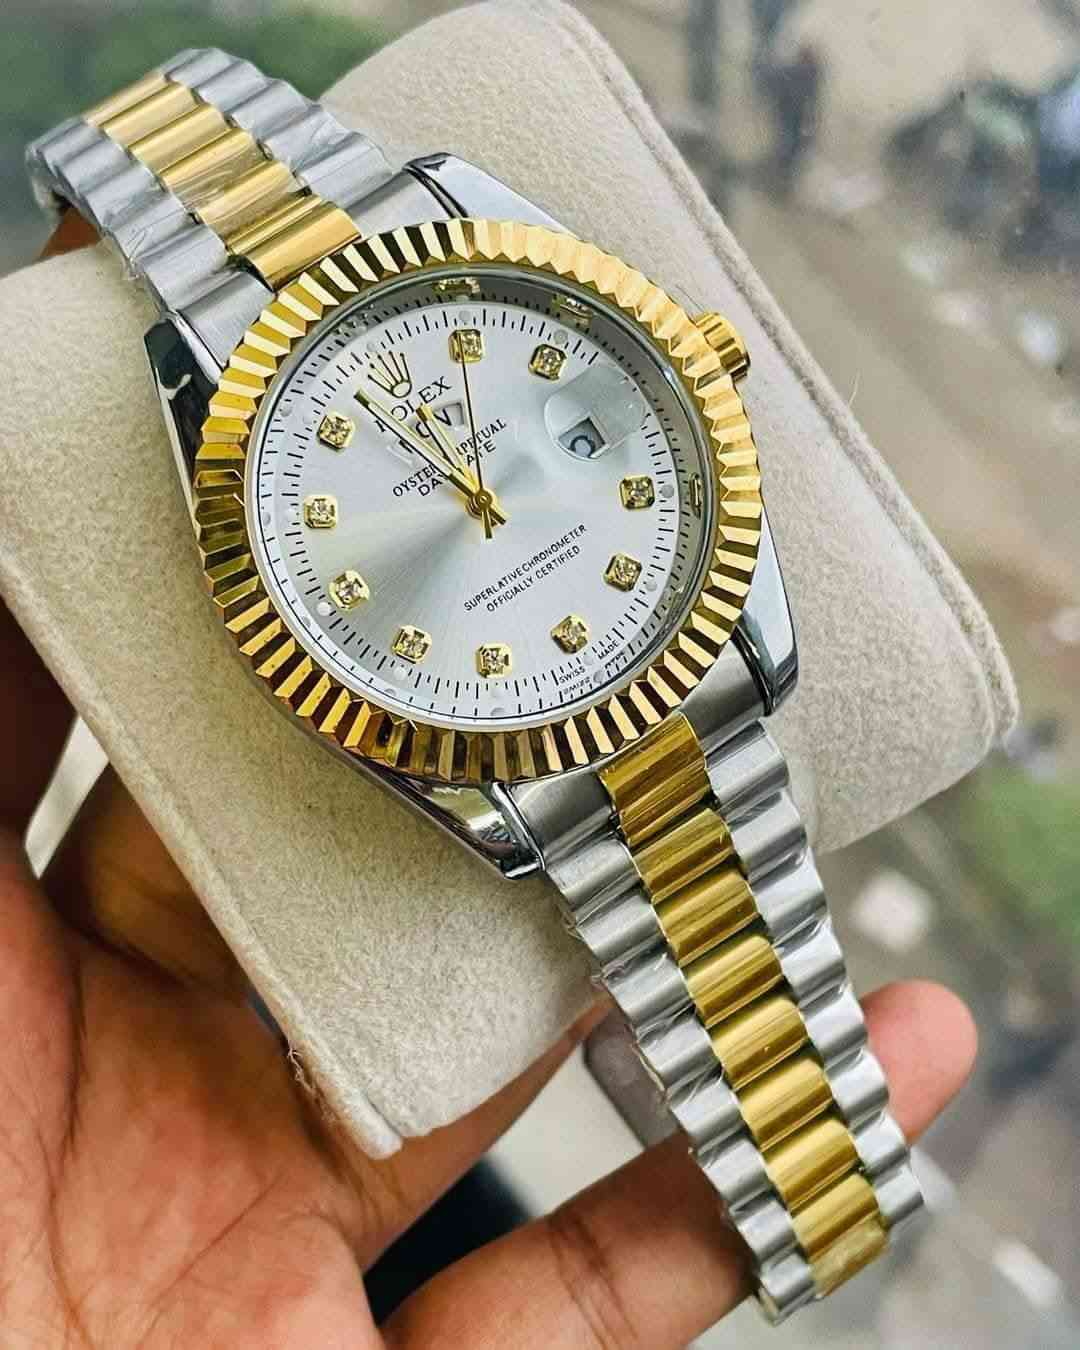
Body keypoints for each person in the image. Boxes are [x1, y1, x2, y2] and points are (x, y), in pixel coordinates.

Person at [0, 226, 977, 1349]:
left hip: (637, 658)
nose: (480, 495)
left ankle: (815, 1174)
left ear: (689, 364)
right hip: (520, 735)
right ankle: (812, 1182)